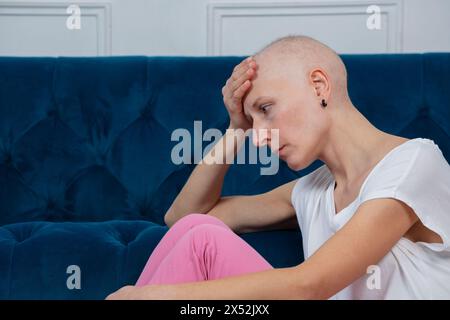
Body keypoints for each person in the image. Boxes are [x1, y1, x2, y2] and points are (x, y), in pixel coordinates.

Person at [106, 35, 450, 300]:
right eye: (251, 121)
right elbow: (181, 219)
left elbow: (310, 285)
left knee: (201, 243)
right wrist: (235, 128)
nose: (259, 137)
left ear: (319, 86)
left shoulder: (413, 163)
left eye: (266, 109)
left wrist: (153, 295)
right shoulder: (312, 190)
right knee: (200, 231)